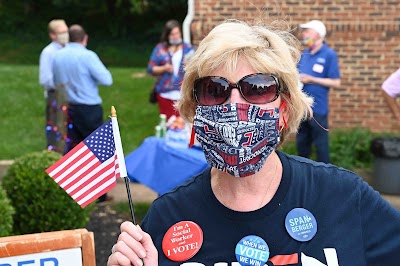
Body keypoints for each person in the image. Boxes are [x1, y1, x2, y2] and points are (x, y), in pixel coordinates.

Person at [107, 19, 400, 266]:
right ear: (196, 111)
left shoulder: (343, 197)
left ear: (283, 110)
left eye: (257, 88)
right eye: (214, 89)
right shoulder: (167, 218)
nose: (235, 104)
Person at [53, 24, 113, 202]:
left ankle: (73, 192)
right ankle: (101, 195)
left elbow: (56, 81)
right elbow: (106, 79)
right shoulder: (88, 56)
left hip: (68, 106)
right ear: (84, 38)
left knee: (73, 149)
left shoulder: (58, 56)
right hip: (88, 108)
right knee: (98, 150)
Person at [296, 20, 341, 163]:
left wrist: (312, 79)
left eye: (307, 31)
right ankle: (303, 176)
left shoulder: (329, 54)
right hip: (303, 108)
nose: (303, 34)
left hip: (319, 109)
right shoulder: (305, 54)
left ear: (317, 34)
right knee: (302, 145)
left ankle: (325, 179)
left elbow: (336, 82)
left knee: (321, 147)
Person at [147, 19, 194, 119]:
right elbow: (151, 69)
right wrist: (164, 68)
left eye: (177, 33)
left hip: (182, 93)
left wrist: (189, 65)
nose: (176, 36)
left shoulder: (187, 48)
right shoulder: (160, 48)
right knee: (167, 123)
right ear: (167, 35)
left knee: (182, 124)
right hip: (164, 93)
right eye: (172, 34)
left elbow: (195, 68)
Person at [39, 19, 69, 153]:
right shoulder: (48, 52)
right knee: (56, 130)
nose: (65, 34)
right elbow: (46, 79)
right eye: (61, 32)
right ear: (52, 35)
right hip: (55, 95)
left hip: (72, 95)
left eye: (66, 31)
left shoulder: (70, 49)